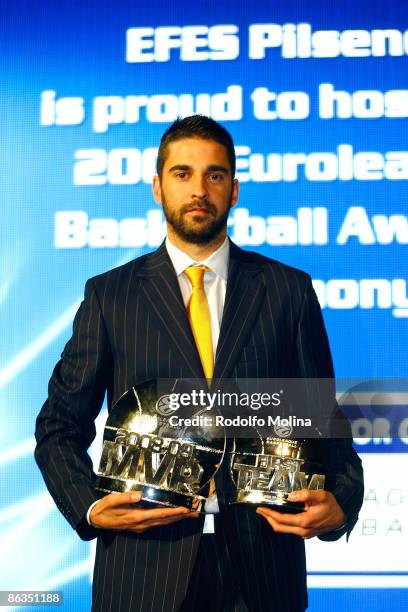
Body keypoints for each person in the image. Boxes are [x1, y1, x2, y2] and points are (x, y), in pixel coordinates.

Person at [35, 115, 363, 612]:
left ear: (233, 190)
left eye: (214, 175)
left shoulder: (287, 290)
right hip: (143, 570)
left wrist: (341, 503)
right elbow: (59, 424)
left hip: (262, 566)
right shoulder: (111, 296)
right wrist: (90, 506)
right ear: (157, 186)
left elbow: (323, 419)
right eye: (182, 174)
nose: (199, 190)